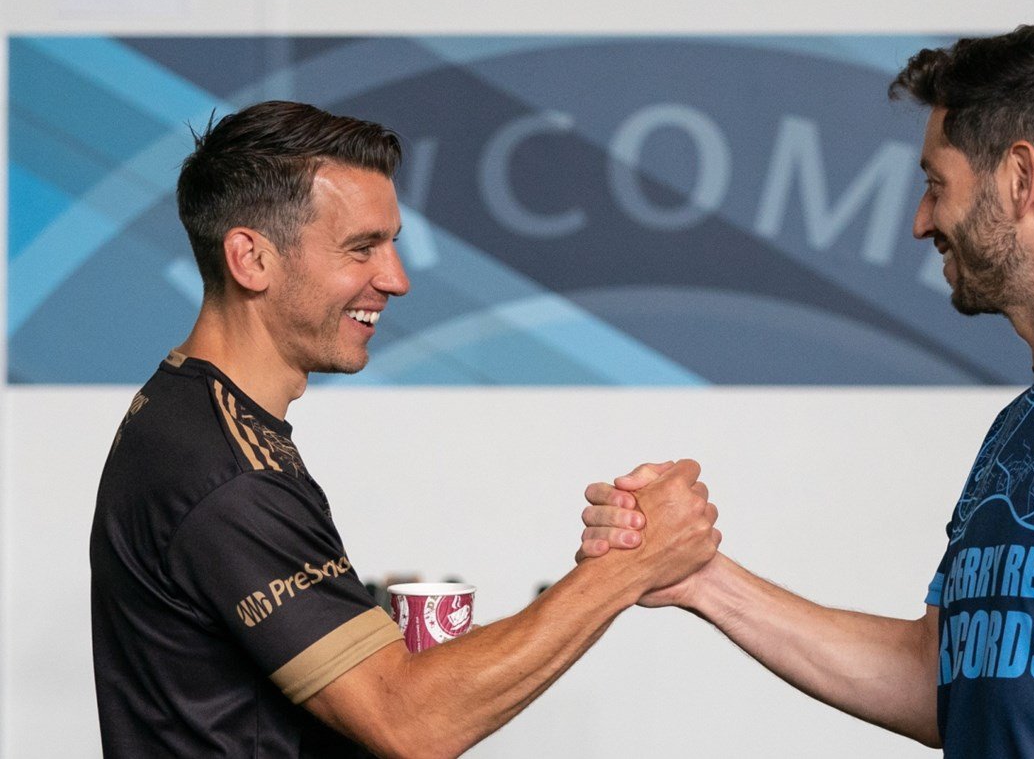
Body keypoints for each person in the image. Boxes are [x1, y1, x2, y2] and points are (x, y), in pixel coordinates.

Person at [579, 24, 1034, 757]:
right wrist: (703, 579)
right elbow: (931, 678)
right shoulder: (1023, 427)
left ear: (1020, 178)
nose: (921, 221)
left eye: (936, 185)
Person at [89, 100, 721, 758]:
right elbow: (410, 722)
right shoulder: (229, 475)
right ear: (251, 259)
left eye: (392, 244)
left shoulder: (193, 418)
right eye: (362, 248)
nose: (396, 278)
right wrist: (628, 564)